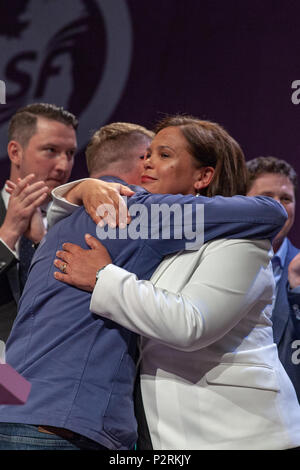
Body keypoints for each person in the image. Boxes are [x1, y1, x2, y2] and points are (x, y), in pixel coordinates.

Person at [0, 117, 288, 450]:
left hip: (16, 407)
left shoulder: (64, 221)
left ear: (204, 175)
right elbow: (269, 212)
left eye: (162, 155)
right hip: (63, 424)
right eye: (147, 155)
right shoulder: (140, 213)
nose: (150, 162)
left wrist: (76, 188)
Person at [0, 103, 78, 342]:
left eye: (70, 154)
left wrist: (43, 242)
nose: (63, 166)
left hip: (51, 369)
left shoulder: (76, 224)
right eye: (51, 150)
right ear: (15, 152)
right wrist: (10, 232)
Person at [247, 156, 300, 403]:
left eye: (286, 199)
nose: (278, 207)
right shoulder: (210, 259)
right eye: (267, 196)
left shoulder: (297, 267)